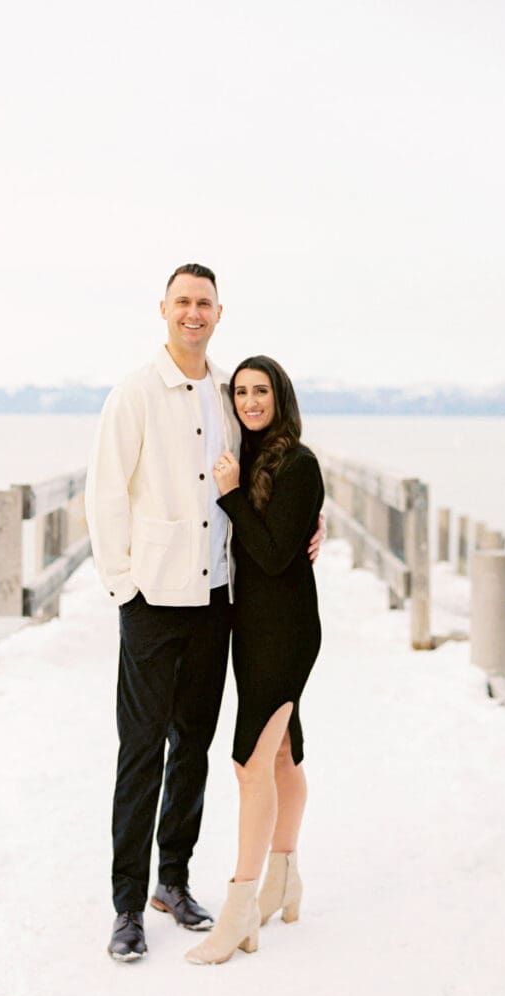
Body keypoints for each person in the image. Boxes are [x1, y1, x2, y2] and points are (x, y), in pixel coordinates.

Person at [85, 265, 323, 962]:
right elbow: (104, 494)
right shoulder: (133, 394)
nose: (193, 313)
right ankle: (127, 905)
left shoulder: (227, 394)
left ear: (219, 312)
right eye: (182, 302)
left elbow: (270, 472)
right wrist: (122, 586)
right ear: (164, 309)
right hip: (153, 601)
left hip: (218, 601)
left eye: (204, 303)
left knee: (192, 750)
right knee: (141, 754)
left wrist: (315, 522)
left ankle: (174, 883)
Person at [185, 355, 324, 965]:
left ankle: (240, 906)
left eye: (260, 390)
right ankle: (284, 879)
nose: (249, 400)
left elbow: (270, 555)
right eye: (240, 391)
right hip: (255, 627)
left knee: (249, 764)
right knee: (282, 754)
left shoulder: (298, 462)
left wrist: (231, 496)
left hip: (286, 631)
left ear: (280, 395)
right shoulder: (253, 457)